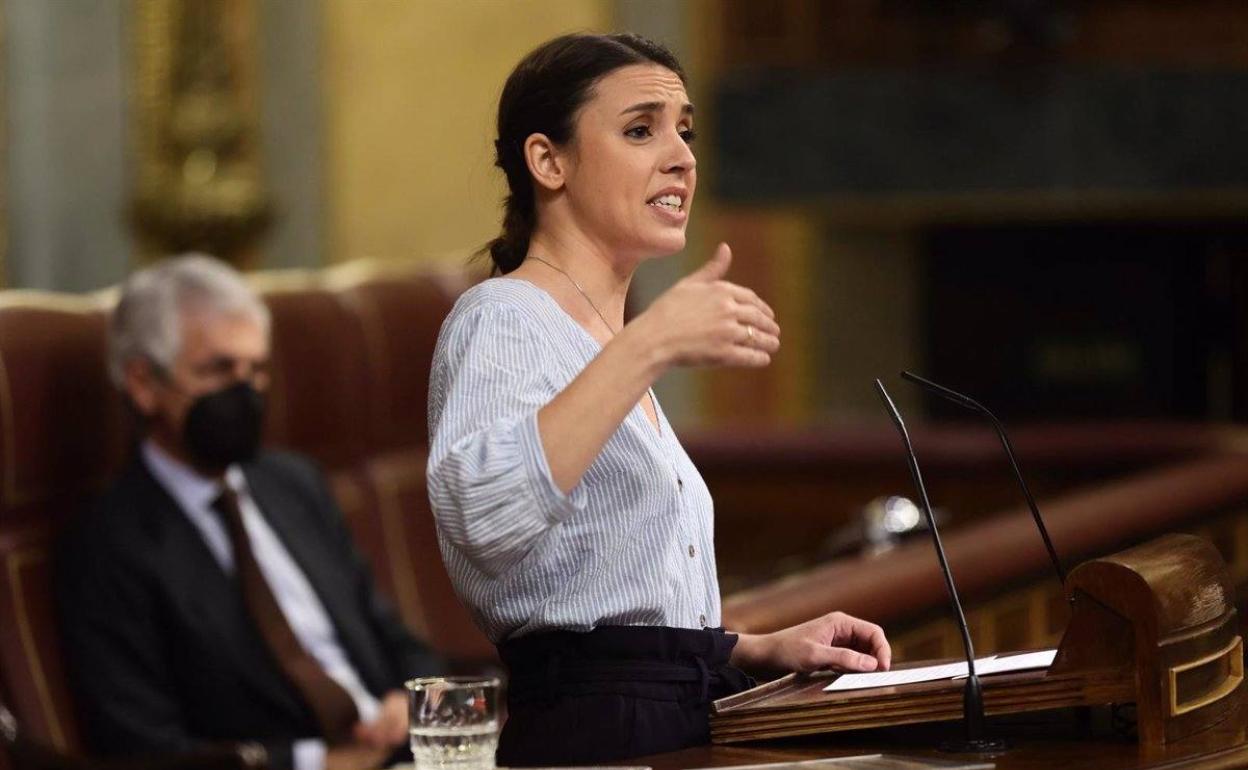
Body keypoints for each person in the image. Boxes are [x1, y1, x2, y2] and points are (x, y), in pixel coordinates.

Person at [426, 33, 892, 765]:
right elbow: (480, 514)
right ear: (548, 161)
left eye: (685, 130)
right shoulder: (501, 317)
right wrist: (650, 345)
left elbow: (611, 598)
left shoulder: (606, 340)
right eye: (641, 129)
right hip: (592, 739)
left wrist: (760, 646)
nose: (681, 155)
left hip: (672, 715)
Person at [56, 255, 441, 770]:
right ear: (144, 384)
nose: (245, 391)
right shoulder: (109, 544)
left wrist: (410, 700)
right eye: (219, 370)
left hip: (407, 751)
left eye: (256, 370)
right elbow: (141, 745)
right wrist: (314, 762)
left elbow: (391, 634)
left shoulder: (293, 483)